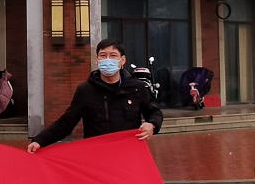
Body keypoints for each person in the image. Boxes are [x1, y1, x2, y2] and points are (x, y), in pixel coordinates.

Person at [27, 38, 162, 153]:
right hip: (96, 155)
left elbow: (154, 112)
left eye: (113, 55)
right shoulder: (86, 90)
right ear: (97, 60)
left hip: (129, 154)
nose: (107, 59)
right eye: (103, 55)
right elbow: (66, 123)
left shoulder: (137, 88)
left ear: (122, 60)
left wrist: (152, 125)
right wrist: (40, 141)